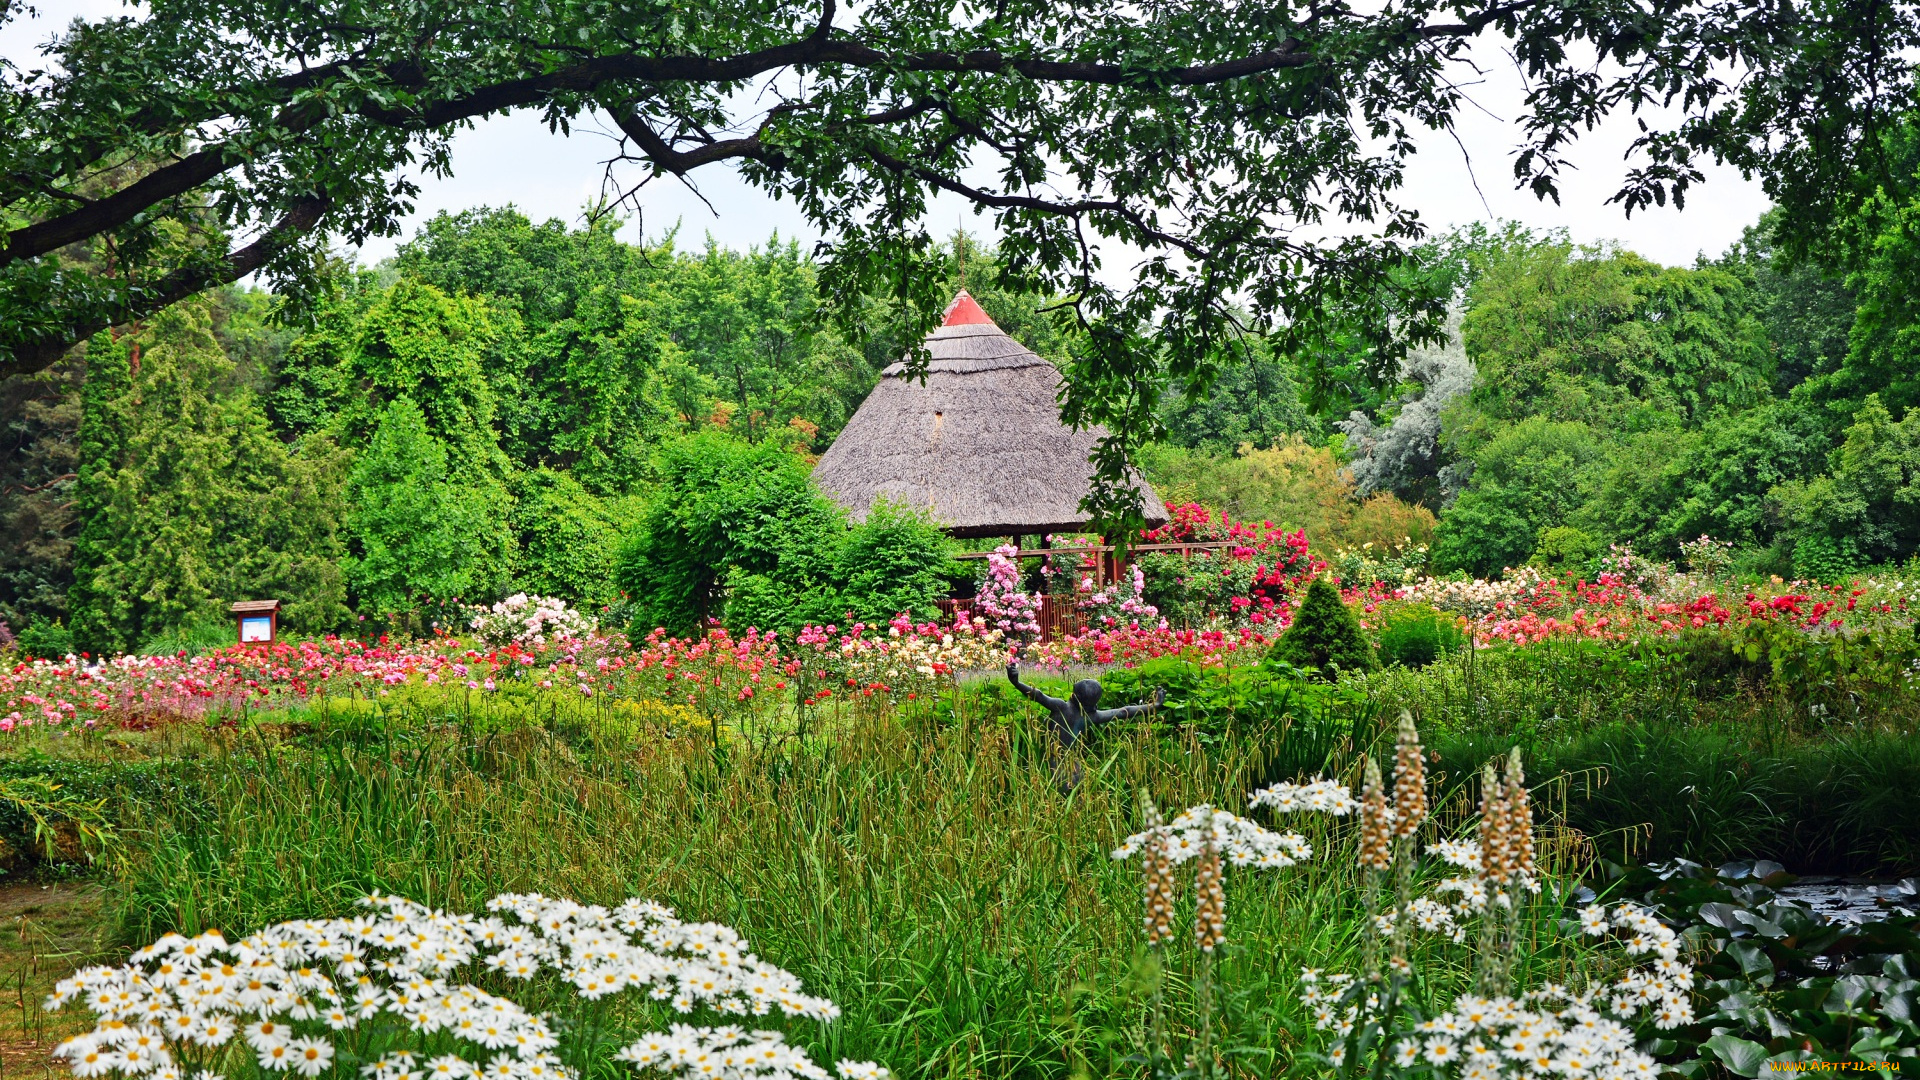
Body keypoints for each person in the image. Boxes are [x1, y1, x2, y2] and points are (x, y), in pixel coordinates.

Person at [1006, 661, 1167, 754]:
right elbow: (1124, 711)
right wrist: (1154, 705)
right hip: (1073, 763)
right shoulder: (1093, 716)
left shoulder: (1061, 707)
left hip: (1054, 761)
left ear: (1075, 696)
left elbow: (1038, 695)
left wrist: (1016, 682)